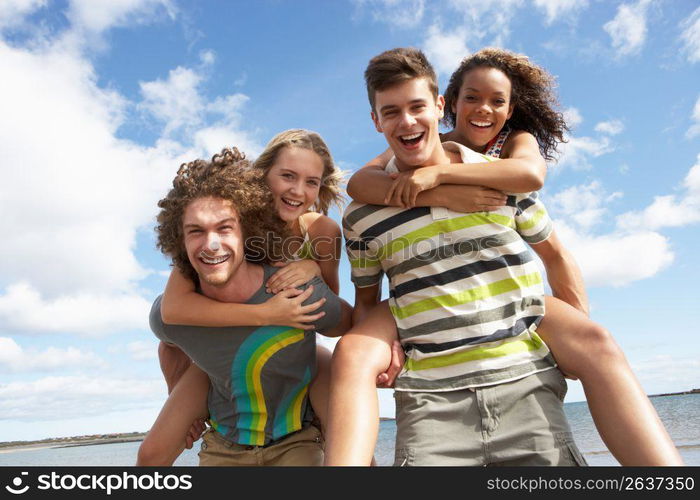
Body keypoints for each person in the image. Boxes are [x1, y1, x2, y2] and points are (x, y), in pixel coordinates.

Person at [341, 48, 682, 466]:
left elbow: (555, 254)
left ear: (438, 107)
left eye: (417, 106)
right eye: (391, 111)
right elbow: (365, 296)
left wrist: (568, 336)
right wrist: (383, 350)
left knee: (599, 344)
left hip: (527, 385)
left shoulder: (503, 178)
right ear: (375, 121)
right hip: (432, 403)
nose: (407, 121)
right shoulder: (361, 213)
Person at [137, 146, 351, 466]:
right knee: (150, 455)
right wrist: (179, 396)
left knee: (350, 447)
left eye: (224, 228)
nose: (211, 243)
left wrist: (313, 269)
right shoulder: (175, 304)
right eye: (196, 231)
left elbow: (342, 319)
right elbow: (169, 335)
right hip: (224, 414)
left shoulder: (305, 259)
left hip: (302, 376)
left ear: (246, 229)